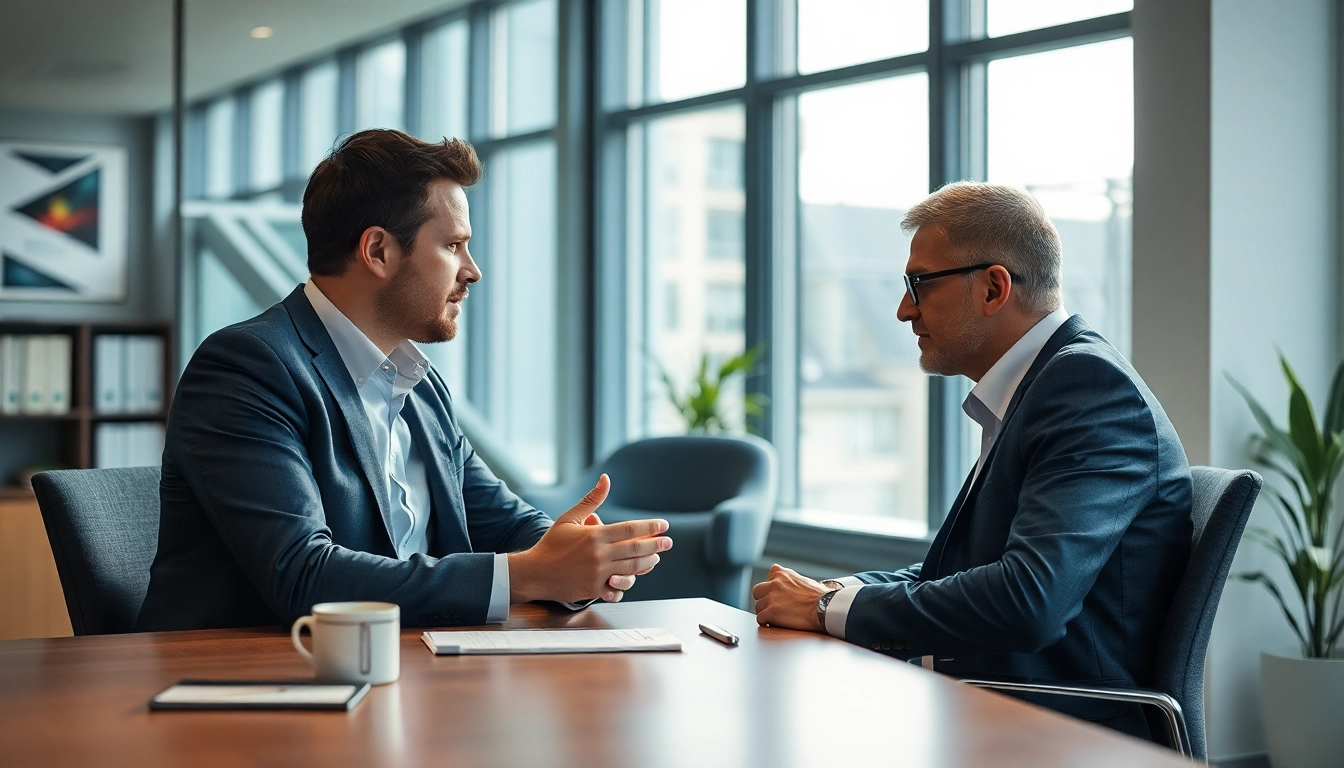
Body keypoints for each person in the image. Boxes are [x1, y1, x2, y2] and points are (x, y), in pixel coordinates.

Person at [136, 129, 672, 632]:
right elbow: (302, 575)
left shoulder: (417, 384)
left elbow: (503, 524)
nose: (472, 270)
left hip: (405, 677)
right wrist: (530, 574)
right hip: (249, 693)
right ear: (378, 251)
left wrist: (576, 555)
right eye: (453, 245)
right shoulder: (248, 367)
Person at [751, 182, 1192, 740]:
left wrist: (824, 610)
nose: (903, 310)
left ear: (993, 287)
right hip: (997, 716)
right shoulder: (1039, 388)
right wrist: (834, 594)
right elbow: (961, 576)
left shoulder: (1087, 389)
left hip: (1063, 736)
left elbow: (1026, 600)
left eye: (919, 284)